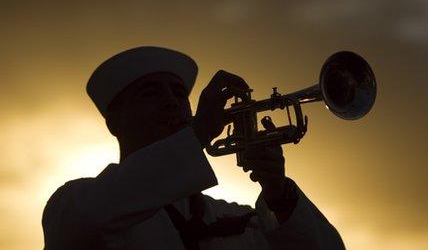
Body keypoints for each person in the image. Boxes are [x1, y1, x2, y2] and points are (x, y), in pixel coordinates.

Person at [42, 46, 345, 249]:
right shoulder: (72, 205)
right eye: (150, 92)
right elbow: (88, 219)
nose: (172, 101)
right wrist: (197, 135)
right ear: (113, 121)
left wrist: (280, 195)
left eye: (178, 93)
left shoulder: (243, 221)